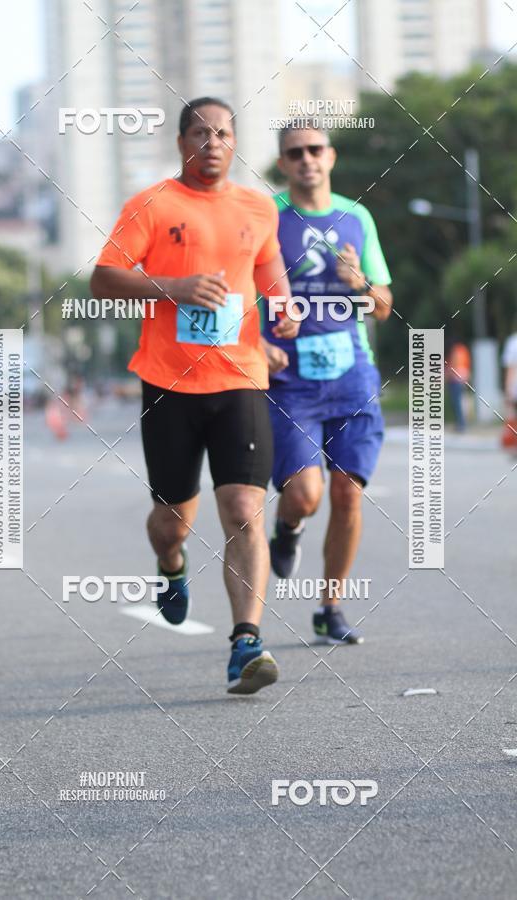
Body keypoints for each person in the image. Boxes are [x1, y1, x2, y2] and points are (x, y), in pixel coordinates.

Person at [90, 97, 298, 693]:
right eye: (201, 133)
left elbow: (270, 270)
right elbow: (103, 279)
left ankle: (246, 643)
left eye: (224, 134)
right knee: (173, 521)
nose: (213, 143)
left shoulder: (258, 207)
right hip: (169, 384)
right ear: (182, 142)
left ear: (236, 143)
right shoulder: (152, 205)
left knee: (243, 511)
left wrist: (283, 310)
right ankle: (171, 565)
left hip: (241, 379)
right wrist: (174, 286)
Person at [263, 125, 393, 645]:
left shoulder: (356, 217)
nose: (307, 160)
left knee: (348, 493)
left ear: (331, 157)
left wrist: (358, 282)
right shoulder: (266, 217)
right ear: (283, 162)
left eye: (315, 150)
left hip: (351, 375)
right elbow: (242, 294)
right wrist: (259, 343)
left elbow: (382, 306)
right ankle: (288, 527)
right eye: (295, 153)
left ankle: (330, 608)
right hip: (290, 381)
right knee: (305, 494)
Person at [445, 336, 471, 432]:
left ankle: (461, 424)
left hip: (455, 379)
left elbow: (453, 365)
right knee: (461, 401)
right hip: (464, 377)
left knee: (457, 402)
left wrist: (445, 375)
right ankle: (462, 423)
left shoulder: (455, 351)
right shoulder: (463, 350)